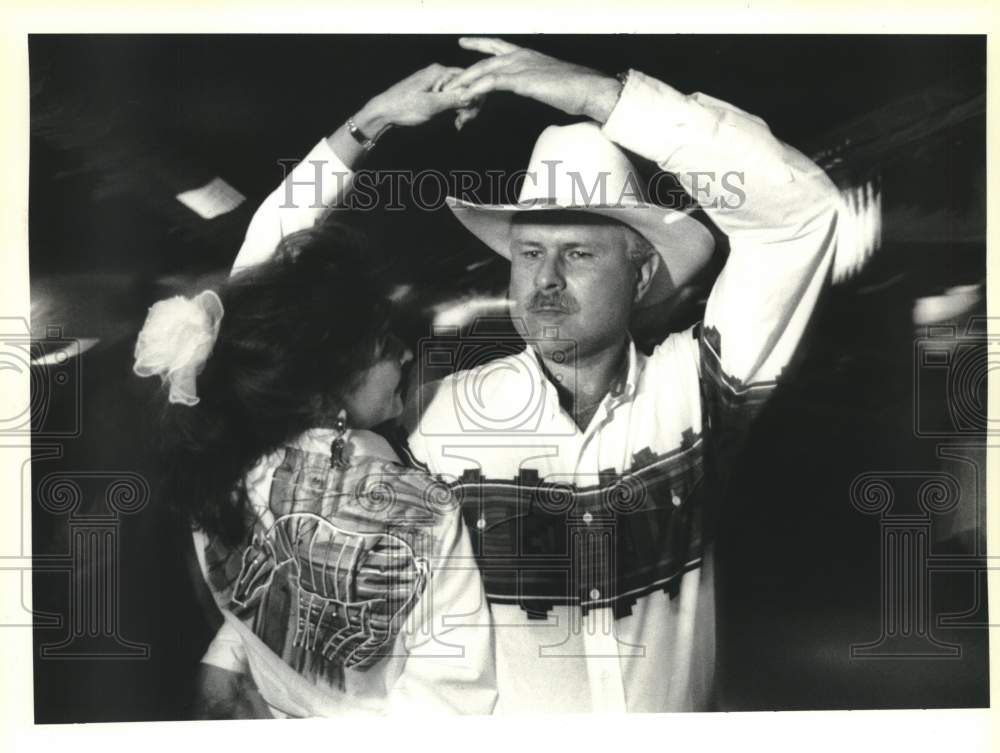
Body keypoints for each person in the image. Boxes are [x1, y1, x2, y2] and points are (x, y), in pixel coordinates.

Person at [239, 38, 840, 714]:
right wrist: (366, 124)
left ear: (641, 273)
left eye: (578, 252)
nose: (546, 280)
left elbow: (799, 216)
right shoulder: (434, 415)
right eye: (529, 252)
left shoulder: (697, 387)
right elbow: (258, 319)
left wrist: (603, 97)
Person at [133, 65, 496, 718]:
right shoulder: (420, 511)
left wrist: (373, 118)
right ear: (329, 379)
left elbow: (263, 275)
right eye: (387, 347)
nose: (408, 355)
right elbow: (451, 707)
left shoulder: (221, 461)